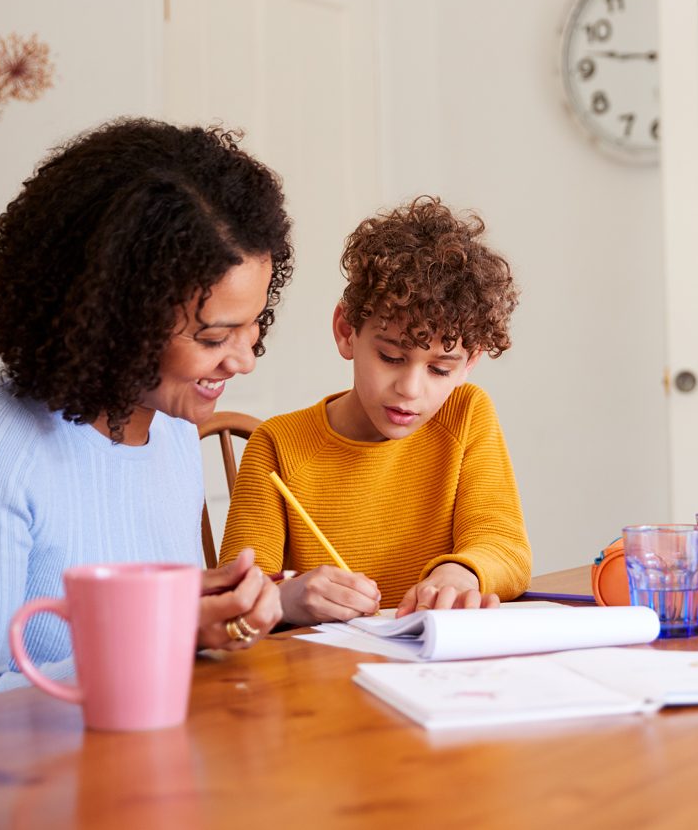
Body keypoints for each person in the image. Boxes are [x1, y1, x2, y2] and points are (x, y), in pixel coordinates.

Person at [0, 119, 294, 699]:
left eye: (253, 325)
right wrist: (161, 635)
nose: (244, 360)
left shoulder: (171, 433)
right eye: (215, 338)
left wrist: (215, 610)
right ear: (119, 323)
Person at [219, 195, 531, 624]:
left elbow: (504, 545)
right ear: (347, 332)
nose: (410, 389)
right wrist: (288, 597)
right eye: (391, 357)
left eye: (440, 369)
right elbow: (235, 592)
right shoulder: (278, 446)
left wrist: (461, 572)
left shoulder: (467, 414)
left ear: (469, 362)